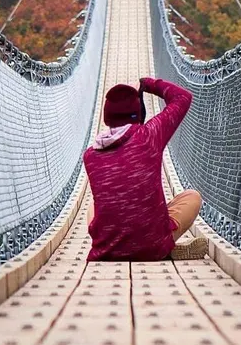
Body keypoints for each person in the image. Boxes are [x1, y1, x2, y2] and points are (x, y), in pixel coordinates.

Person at [84, 77, 208, 262]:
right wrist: (147, 84)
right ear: (138, 114)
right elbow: (182, 97)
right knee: (192, 197)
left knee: (92, 207)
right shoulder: (149, 136)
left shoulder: (90, 155)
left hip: (107, 249)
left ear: (107, 117)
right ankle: (165, 247)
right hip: (152, 244)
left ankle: (135, 245)